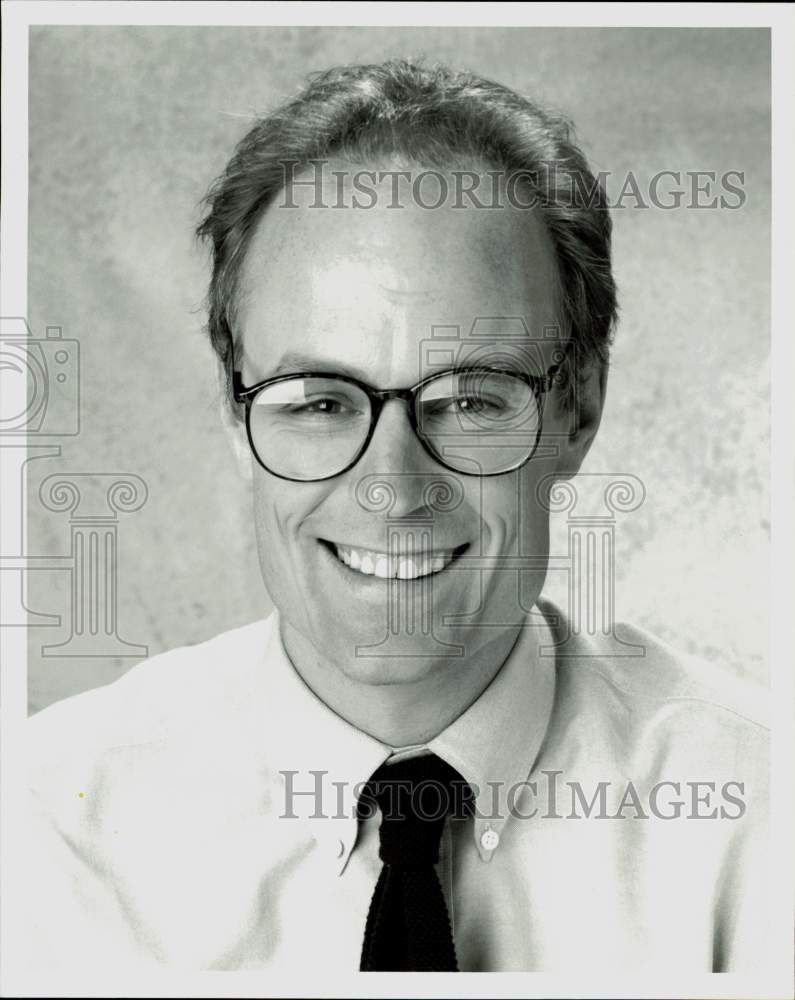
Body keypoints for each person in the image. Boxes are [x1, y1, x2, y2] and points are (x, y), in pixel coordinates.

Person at [21, 59, 768, 975]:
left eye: (470, 398)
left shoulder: (764, 825)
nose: (391, 485)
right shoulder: (45, 831)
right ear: (233, 409)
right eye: (319, 399)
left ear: (578, 408)